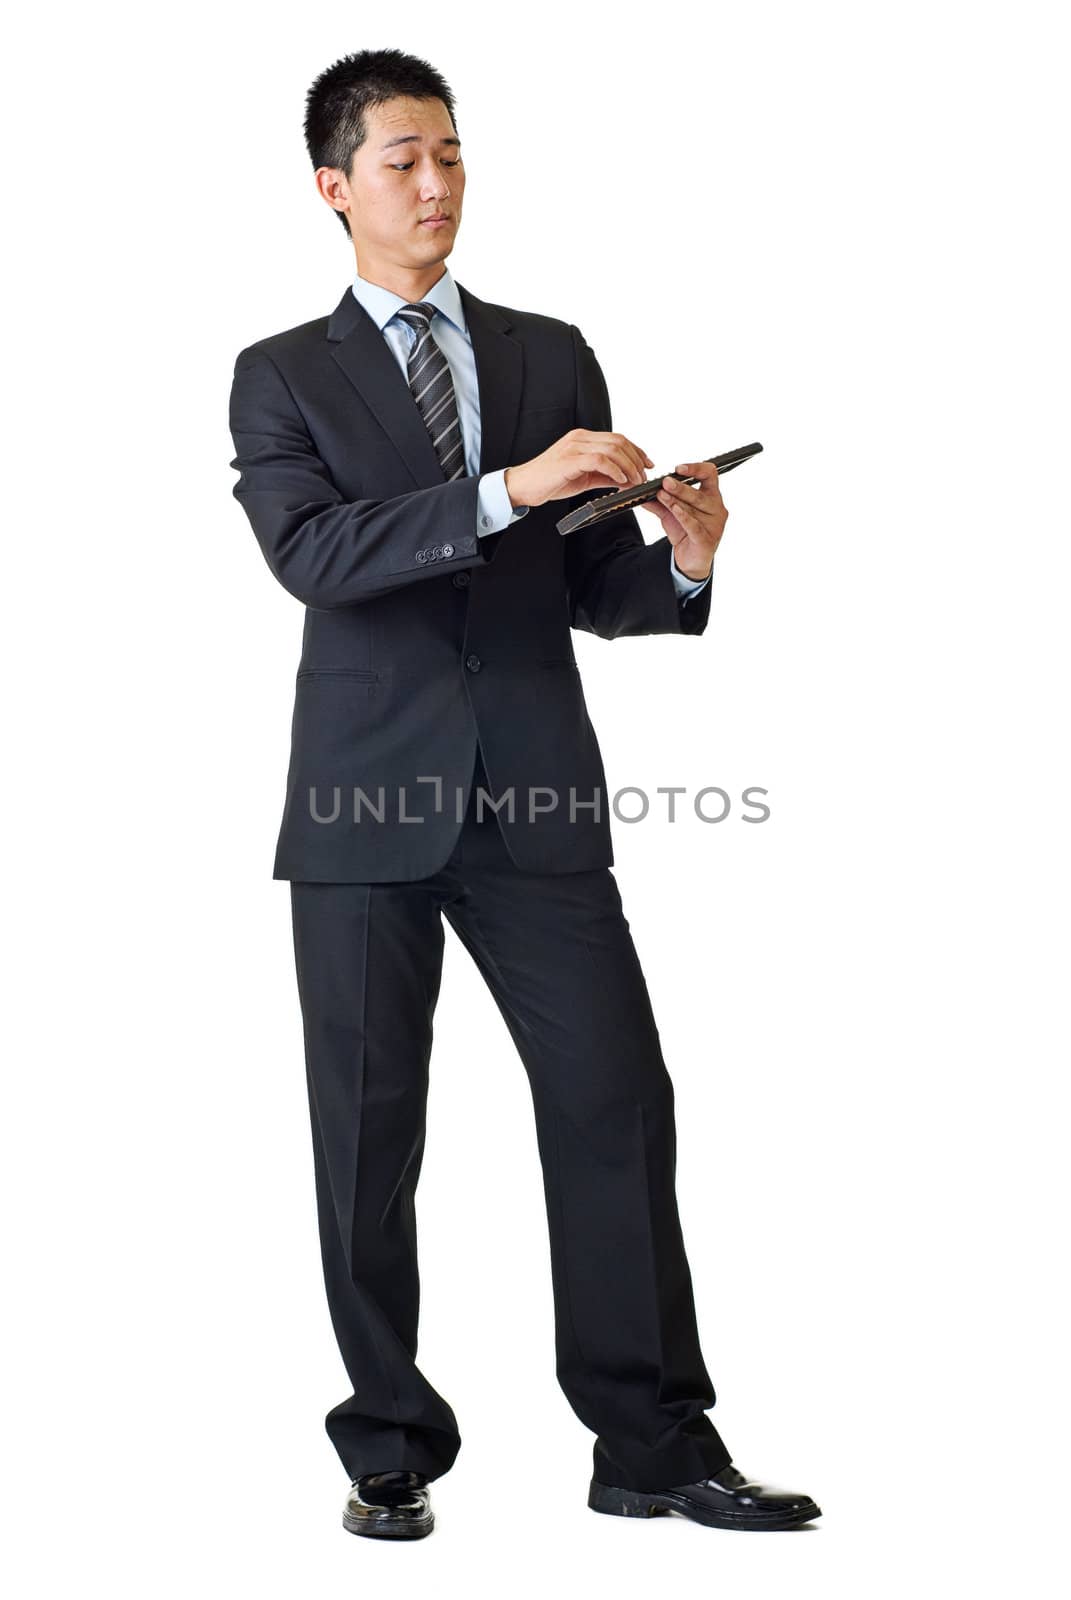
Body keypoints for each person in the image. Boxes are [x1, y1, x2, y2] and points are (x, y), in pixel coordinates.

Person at [227, 46, 821, 1541]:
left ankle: (650, 1444)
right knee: (367, 1132)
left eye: (452, 157)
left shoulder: (552, 351)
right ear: (334, 187)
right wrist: (506, 487)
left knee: (615, 1098)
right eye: (402, 162)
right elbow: (317, 558)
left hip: (538, 801)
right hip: (362, 802)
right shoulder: (282, 373)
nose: (436, 187)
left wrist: (680, 556)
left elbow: (586, 585)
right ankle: (390, 1444)